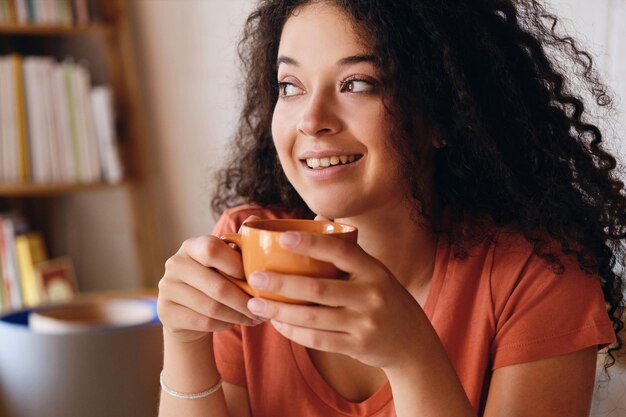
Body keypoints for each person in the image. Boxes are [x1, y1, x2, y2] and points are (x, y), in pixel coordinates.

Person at [156, 0, 626, 416]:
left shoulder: (539, 274)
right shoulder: (243, 241)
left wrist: (412, 358)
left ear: (442, 115)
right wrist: (184, 341)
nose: (311, 120)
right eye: (290, 85)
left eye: (357, 83)